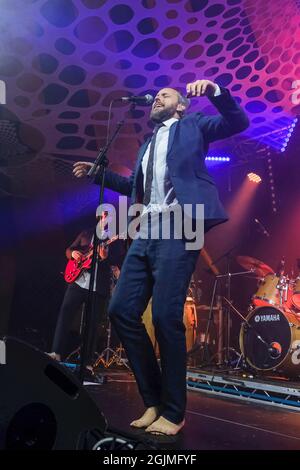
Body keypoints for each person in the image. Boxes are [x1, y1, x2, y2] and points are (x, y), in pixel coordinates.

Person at [73, 79, 249, 435]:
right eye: (155, 97)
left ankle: (173, 410)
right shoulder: (147, 145)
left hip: (183, 222)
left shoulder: (194, 125)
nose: (157, 99)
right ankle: (153, 400)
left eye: (165, 96)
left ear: (181, 106)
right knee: (120, 309)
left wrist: (216, 93)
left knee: (168, 316)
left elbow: (237, 122)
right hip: (145, 227)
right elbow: (134, 187)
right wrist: (99, 175)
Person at [48, 212, 123, 375]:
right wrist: (72, 254)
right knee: (65, 313)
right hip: (78, 282)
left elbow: (116, 261)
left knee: (92, 324)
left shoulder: (113, 240)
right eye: (103, 216)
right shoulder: (86, 233)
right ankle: (56, 352)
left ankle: (87, 362)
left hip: (98, 287)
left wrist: (104, 258)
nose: (105, 219)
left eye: (108, 216)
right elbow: (69, 250)